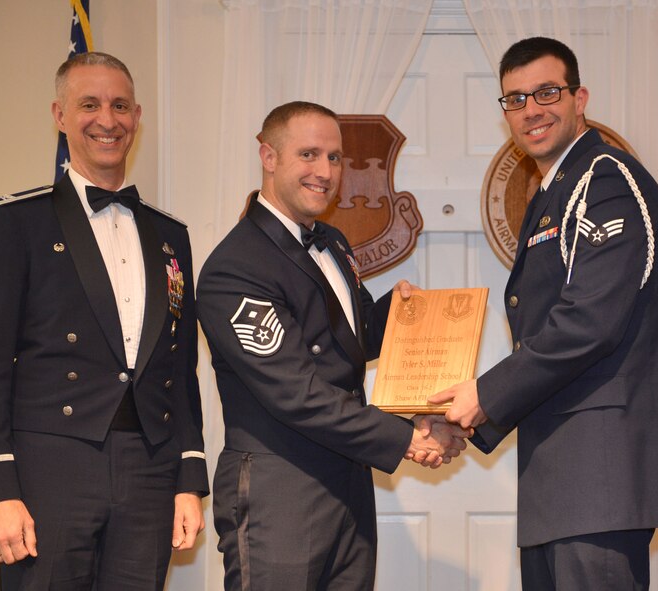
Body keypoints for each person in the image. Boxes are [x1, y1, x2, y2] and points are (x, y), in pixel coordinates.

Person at [429, 37, 658, 590]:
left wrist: (483, 396)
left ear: (580, 98)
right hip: (564, 480)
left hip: (600, 478)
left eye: (547, 92)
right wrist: (470, 412)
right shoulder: (558, 189)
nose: (531, 109)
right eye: (516, 99)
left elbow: (589, 322)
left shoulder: (607, 181)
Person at [196, 101, 470, 591]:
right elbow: (297, 393)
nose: (325, 172)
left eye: (334, 157)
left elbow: (349, 339)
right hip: (281, 489)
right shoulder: (236, 266)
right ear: (269, 157)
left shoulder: (333, 242)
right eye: (308, 155)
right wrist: (406, 438)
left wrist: (401, 313)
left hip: (347, 479)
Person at [0, 52, 208, 590]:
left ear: (137, 116)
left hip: (150, 469)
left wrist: (189, 478)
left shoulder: (171, 235)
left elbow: (179, 368)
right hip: (48, 468)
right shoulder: (15, 221)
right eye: (89, 105)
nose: (108, 119)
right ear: (59, 115)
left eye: (120, 106)